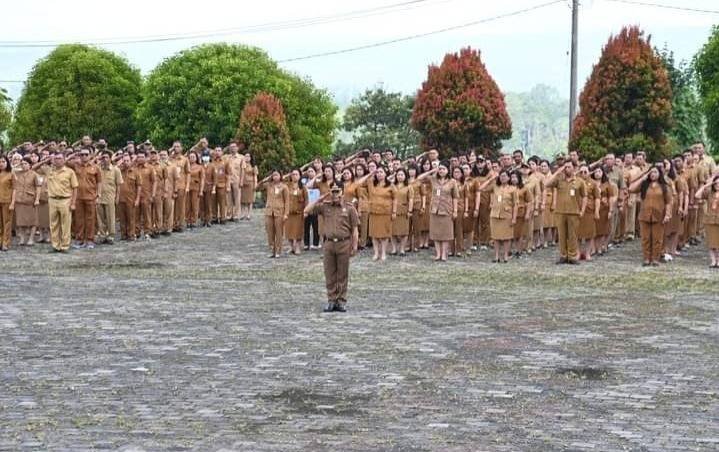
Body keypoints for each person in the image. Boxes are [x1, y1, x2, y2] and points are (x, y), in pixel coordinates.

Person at [304, 185, 359, 312]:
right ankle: (331, 300)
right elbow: (306, 210)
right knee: (329, 273)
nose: (335, 194)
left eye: (337, 191)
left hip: (344, 243)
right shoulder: (325, 206)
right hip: (329, 244)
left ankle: (341, 301)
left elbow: (355, 229)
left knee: (342, 274)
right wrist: (320, 198)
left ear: (342, 193)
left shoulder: (349, 208)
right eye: (332, 192)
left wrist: (355, 246)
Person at [628, 164, 672, 266]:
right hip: (644, 215)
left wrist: (667, 214)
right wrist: (642, 178)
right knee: (645, 238)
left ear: (659, 174)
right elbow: (631, 188)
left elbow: (669, 202)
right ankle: (646, 258)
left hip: (659, 215)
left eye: (655, 172)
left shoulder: (664, 187)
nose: (653, 174)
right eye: (651, 172)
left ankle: (655, 259)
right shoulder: (644, 185)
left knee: (657, 238)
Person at [545, 161, 587, 264]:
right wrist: (557, 172)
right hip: (560, 211)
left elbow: (584, 196)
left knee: (573, 235)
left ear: (574, 168)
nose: (566, 169)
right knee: (562, 235)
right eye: (565, 167)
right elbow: (546, 183)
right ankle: (563, 255)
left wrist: (582, 210)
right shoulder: (559, 179)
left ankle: (572, 256)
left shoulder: (579, 181)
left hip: (574, 212)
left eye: (569, 167)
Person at [418, 163, 458, 262]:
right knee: (436, 233)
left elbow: (455, 197)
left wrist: (455, 210)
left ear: (448, 170)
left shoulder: (452, 182)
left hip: (446, 210)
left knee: (445, 234)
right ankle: (438, 254)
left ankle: (444, 254)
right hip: (434, 210)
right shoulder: (433, 179)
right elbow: (419, 178)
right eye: (440, 169)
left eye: (443, 169)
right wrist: (432, 171)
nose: (441, 171)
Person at [479, 170, 517, 263]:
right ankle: (496, 256)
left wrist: (514, 218)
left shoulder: (513, 189)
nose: (502, 178)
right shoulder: (495, 186)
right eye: (501, 176)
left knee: (506, 237)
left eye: (504, 176)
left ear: (509, 178)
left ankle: (505, 256)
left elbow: (515, 204)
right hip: (495, 214)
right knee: (495, 237)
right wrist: (491, 179)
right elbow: (481, 188)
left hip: (507, 215)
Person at [358, 166, 395, 261]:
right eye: (377, 172)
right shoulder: (371, 183)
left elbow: (395, 199)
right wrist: (370, 174)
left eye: (381, 172)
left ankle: (383, 253)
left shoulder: (390, 185)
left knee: (384, 234)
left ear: (386, 174)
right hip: (374, 212)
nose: (379, 174)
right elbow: (360, 182)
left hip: (386, 212)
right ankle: (376, 253)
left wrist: (394, 211)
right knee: (374, 234)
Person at [70, 147, 103, 249]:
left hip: (91, 196)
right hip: (78, 197)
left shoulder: (95, 167)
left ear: (90, 156)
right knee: (79, 219)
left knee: (90, 219)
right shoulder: (75, 166)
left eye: (86, 154)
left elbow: (99, 182)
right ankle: (79, 239)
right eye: (82, 155)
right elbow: (64, 161)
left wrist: (98, 195)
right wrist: (73, 155)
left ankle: (90, 240)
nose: (84, 156)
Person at [46, 153, 78, 252]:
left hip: (65, 200)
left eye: (60, 158)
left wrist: (73, 203)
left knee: (66, 224)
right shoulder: (49, 171)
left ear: (64, 160)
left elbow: (75, 188)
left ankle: (65, 246)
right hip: (52, 200)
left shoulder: (70, 172)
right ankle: (55, 245)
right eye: (55, 159)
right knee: (53, 224)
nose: (57, 160)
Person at [259, 170, 289, 258]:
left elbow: (287, 201)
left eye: (277, 175)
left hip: (279, 212)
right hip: (269, 211)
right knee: (269, 231)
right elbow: (257, 187)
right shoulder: (269, 185)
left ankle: (278, 250)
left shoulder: (284, 187)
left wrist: (286, 213)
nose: (275, 176)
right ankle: (272, 249)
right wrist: (265, 179)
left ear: (280, 176)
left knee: (279, 232)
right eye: (273, 175)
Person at [13, 157, 41, 246]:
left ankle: (31, 238)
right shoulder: (18, 173)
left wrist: (37, 199)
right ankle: (22, 238)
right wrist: (18, 164)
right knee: (20, 221)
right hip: (20, 200)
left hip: (30, 200)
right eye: (23, 164)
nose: (24, 166)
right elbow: (12, 168)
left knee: (32, 220)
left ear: (30, 165)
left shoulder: (34, 174)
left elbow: (38, 187)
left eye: (26, 164)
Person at [97, 150, 123, 244]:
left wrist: (117, 197)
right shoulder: (98, 169)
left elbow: (119, 185)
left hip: (110, 196)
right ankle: (103, 235)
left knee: (110, 217)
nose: (104, 159)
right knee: (100, 218)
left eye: (106, 157)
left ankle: (111, 236)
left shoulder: (115, 170)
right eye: (102, 157)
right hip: (99, 197)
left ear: (110, 158)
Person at [695, 173, 719, 267]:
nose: (718, 185)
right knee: (711, 241)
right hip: (710, 219)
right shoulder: (709, 193)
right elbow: (697, 195)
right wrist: (707, 185)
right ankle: (713, 261)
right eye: (716, 184)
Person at [593, 166, 618, 256]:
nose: (597, 173)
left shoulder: (607, 184)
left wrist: (610, 210)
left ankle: (600, 248)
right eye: (595, 171)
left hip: (604, 208)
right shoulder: (591, 183)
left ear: (603, 173)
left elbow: (611, 197)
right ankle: (593, 248)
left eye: (599, 171)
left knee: (603, 229)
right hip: (593, 208)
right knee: (594, 230)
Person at [577, 164, 599, 261]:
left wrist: (597, 211)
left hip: (589, 210)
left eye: (585, 172)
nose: (583, 174)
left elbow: (597, 198)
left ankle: (587, 253)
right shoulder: (575, 182)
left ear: (589, 172)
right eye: (581, 172)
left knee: (589, 233)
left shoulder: (593, 183)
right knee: (577, 233)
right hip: (577, 210)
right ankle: (577, 253)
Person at [118, 154, 141, 241]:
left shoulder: (135, 172)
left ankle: (131, 234)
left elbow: (139, 186)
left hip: (131, 198)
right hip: (121, 198)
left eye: (127, 161)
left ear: (131, 161)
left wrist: (137, 199)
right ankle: (123, 235)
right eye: (124, 161)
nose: (126, 163)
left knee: (131, 217)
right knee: (122, 218)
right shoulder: (119, 171)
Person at [391, 168, 413, 256]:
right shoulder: (392, 186)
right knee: (393, 230)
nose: (400, 176)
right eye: (398, 175)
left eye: (402, 175)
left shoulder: (409, 187)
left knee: (404, 230)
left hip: (404, 209)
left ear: (405, 176)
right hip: (393, 209)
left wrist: (410, 210)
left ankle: (402, 249)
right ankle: (394, 249)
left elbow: (410, 199)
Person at [285, 169, 308, 254]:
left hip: (299, 212)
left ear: (300, 176)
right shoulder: (287, 186)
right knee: (288, 229)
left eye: (296, 174)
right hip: (289, 212)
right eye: (293, 174)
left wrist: (306, 211)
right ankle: (291, 246)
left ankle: (298, 246)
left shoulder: (303, 187)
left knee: (298, 230)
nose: (294, 176)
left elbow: (306, 200)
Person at [302, 167, 321, 250]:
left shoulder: (318, 181)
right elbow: (306, 187)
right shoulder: (304, 181)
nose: (310, 173)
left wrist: (316, 177)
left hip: (315, 206)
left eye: (312, 171)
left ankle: (315, 243)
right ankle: (306, 243)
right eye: (308, 171)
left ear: (315, 172)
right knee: (306, 226)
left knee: (315, 226)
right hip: (306, 205)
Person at [0, 155, 16, 251]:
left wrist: (12, 203)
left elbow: (14, 189)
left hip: (7, 201)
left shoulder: (11, 174)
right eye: (0, 162)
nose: (1, 164)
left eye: (3, 161)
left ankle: (5, 243)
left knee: (7, 223)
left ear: (7, 163)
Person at [187, 151, 204, 228]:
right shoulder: (186, 166)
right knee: (187, 205)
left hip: (196, 187)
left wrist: (201, 190)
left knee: (195, 205)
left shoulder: (200, 167)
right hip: (187, 188)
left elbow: (202, 179)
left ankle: (194, 220)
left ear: (196, 158)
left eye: (193, 157)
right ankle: (187, 220)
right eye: (190, 157)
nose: (192, 158)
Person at [240, 153, 257, 220]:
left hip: (250, 183)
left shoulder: (253, 166)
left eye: (248, 156)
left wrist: (255, 184)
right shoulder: (242, 165)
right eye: (245, 156)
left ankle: (249, 214)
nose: (247, 158)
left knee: (250, 200)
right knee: (243, 200)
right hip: (243, 183)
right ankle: (243, 213)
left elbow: (255, 176)